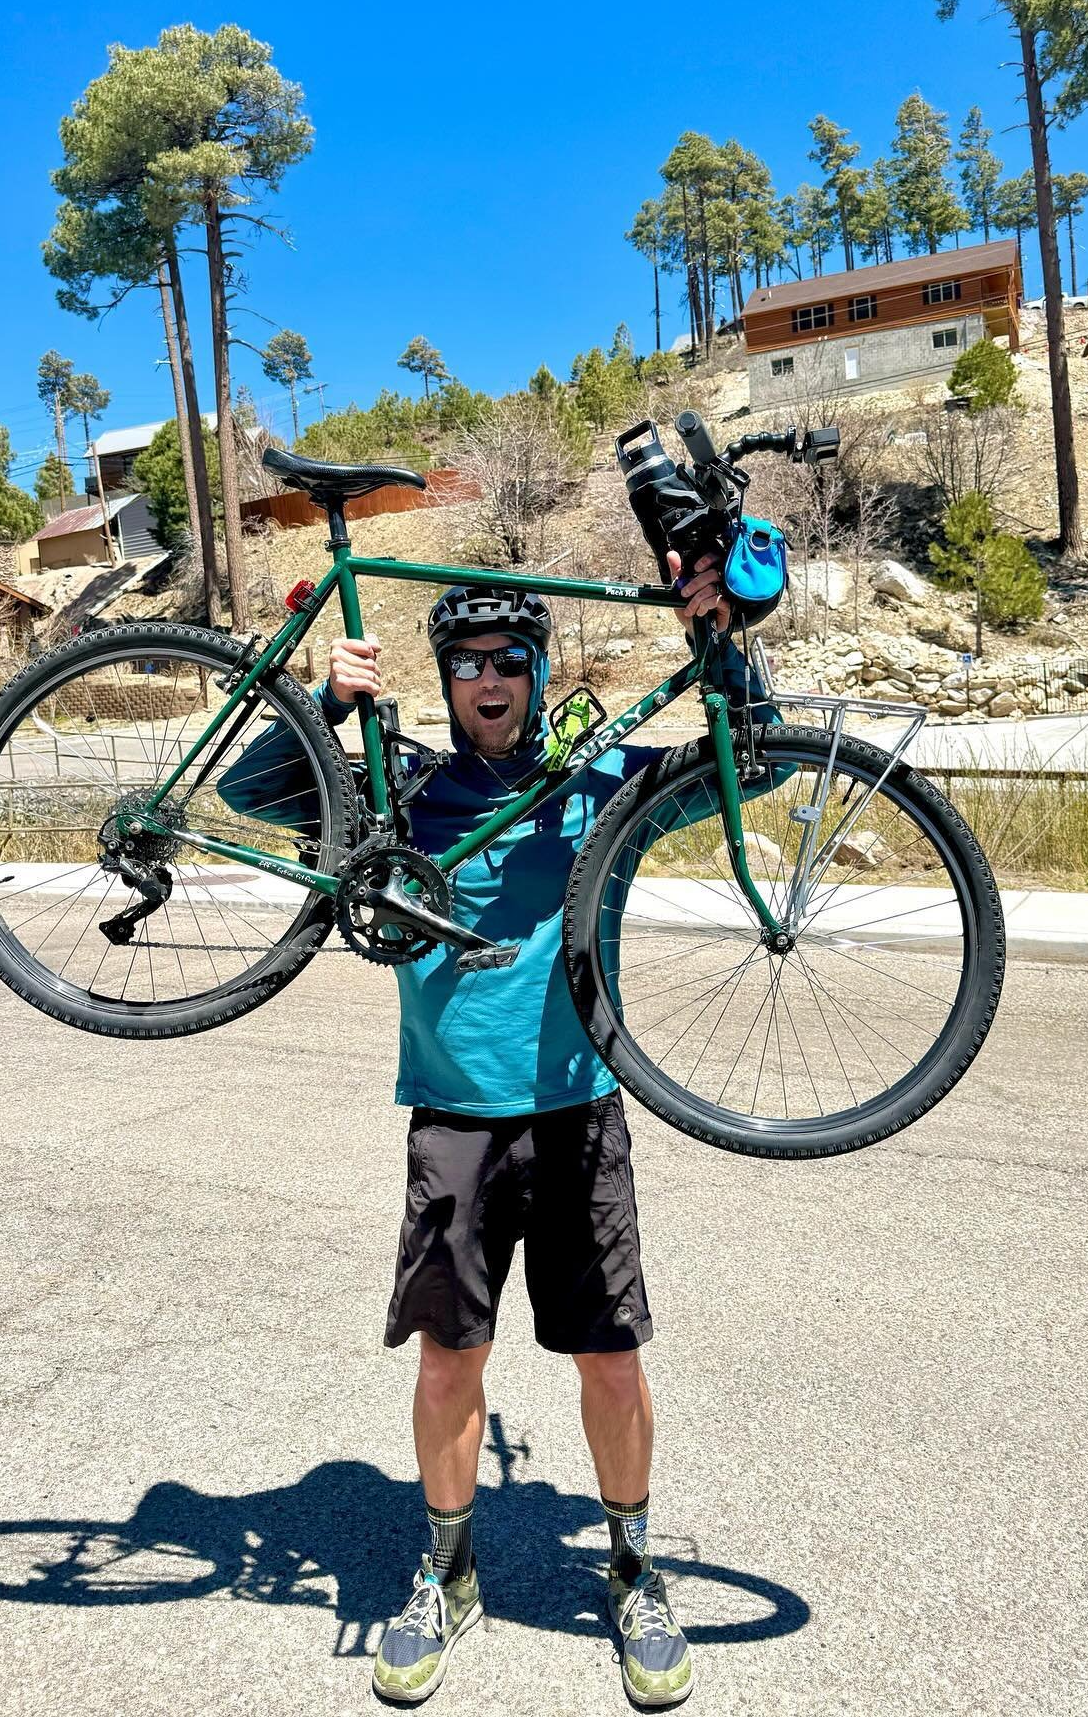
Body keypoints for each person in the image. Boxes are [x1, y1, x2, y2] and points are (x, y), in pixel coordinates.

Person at [219, 550, 764, 1708]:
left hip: (581, 1114)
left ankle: (631, 1570)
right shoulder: (403, 790)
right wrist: (327, 705)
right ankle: (448, 1571)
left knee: (610, 1363)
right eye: (464, 663)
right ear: (446, 681)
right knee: (449, 1360)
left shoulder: (601, 781)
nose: (488, 679)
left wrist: (725, 636)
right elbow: (249, 800)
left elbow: (745, 767)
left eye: (509, 659)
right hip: (454, 1122)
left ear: (538, 668)